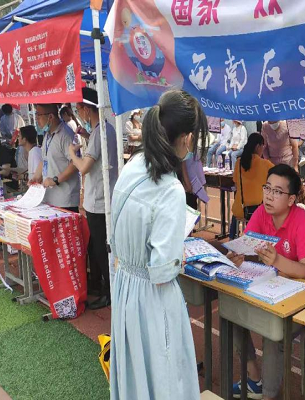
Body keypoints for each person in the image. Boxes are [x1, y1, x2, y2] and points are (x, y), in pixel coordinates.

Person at [109, 90, 207, 400]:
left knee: (136, 374)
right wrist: (180, 255)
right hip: (153, 297)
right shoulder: (170, 189)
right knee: (165, 375)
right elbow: (162, 270)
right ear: (186, 138)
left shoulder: (134, 164)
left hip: (125, 286)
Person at [230, 164, 305, 400]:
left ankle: (269, 395)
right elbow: (246, 244)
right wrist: (236, 256)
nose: (269, 196)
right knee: (232, 312)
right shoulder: (261, 213)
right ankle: (254, 378)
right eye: (267, 188)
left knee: (273, 333)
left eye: (277, 191)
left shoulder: (302, 221)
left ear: (291, 199)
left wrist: (277, 260)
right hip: (274, 289)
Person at [69, 88, 119, 308]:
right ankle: (105, 288)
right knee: (101, 247)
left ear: (87, 110)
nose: (78, 113)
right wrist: (87, 137)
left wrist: (72, 154)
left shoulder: (100, 132)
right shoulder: (105, 129)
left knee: (101, 248)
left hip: (99, 200)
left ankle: (108, 291)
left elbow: (84, 167)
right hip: (102, 197)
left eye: (79, 109)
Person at [31, 103, 81, 212]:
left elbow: (75, 163)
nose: (37, 119)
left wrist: (55, 180)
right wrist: (36, 177)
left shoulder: (66, 134)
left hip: (64, 200)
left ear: (50, 117)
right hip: (49, 197)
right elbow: (45, 159)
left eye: (39, 115)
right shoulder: (48, 134)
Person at [230, 133, 274, 238]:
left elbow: (236, 183)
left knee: (235, 215)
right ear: (258, 146)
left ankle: (232, 237)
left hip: (240, 209)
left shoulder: (239, 162)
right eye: (263, 146)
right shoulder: (265, 164)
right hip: (257, 211)